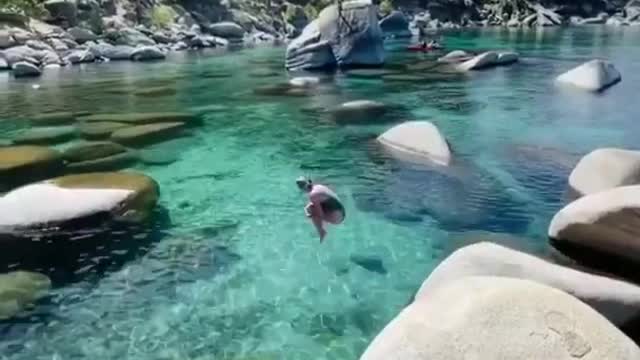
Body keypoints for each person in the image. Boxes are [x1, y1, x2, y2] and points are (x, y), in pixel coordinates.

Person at [296, 176, 345, 242]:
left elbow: (320, 215)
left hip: (337, 218)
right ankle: (323, 228)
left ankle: (321, 232)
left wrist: (308, 213)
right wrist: (306, 209)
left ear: (301, 188)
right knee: (309, 207)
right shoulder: (318, 186)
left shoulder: (313, 195)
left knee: (311, 210)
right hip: (341, 212)